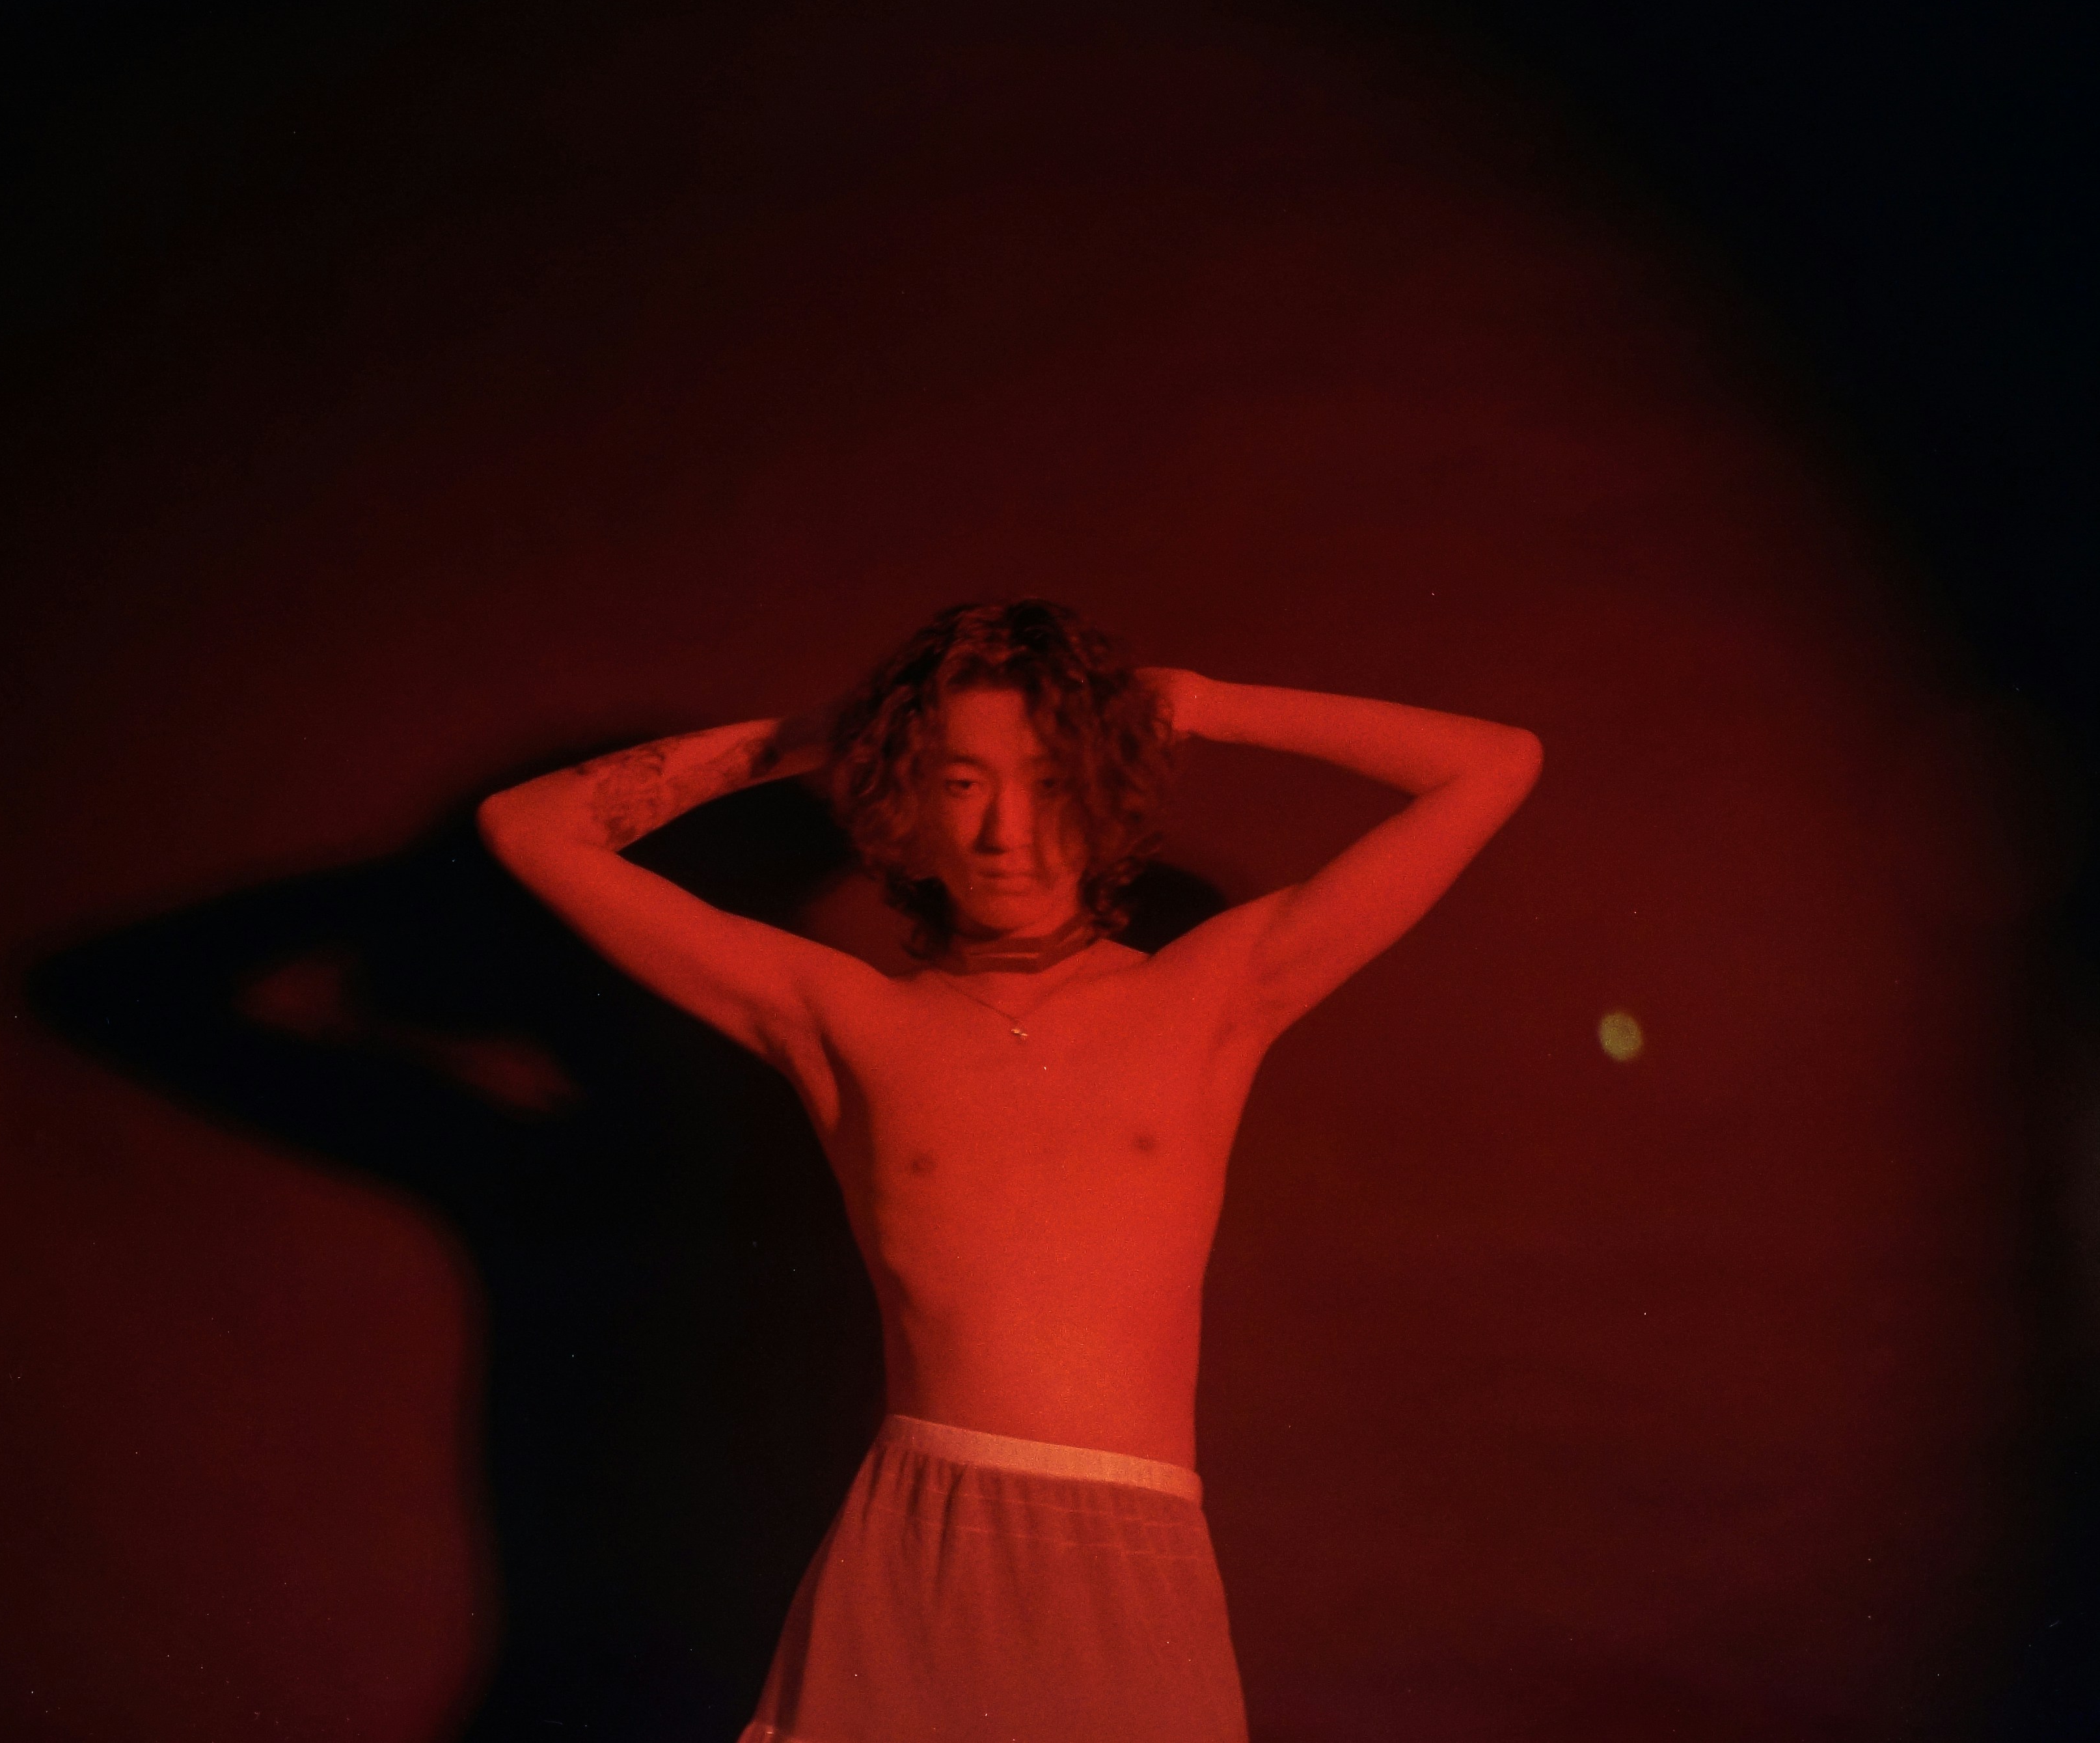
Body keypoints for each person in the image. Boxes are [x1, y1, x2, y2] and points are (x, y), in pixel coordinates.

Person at [477, 599, 1542, 1742]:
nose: (1006, 832)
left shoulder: (1213, 994)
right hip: (911, 1546)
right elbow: (529, 826)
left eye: (1046, 778)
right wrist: (843, 730)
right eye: (960, 783)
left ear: (1105, 784)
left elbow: (1491, 764)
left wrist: (1196, 702)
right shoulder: (838, 1017)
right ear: (908, 805)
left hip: (1136, 1555)